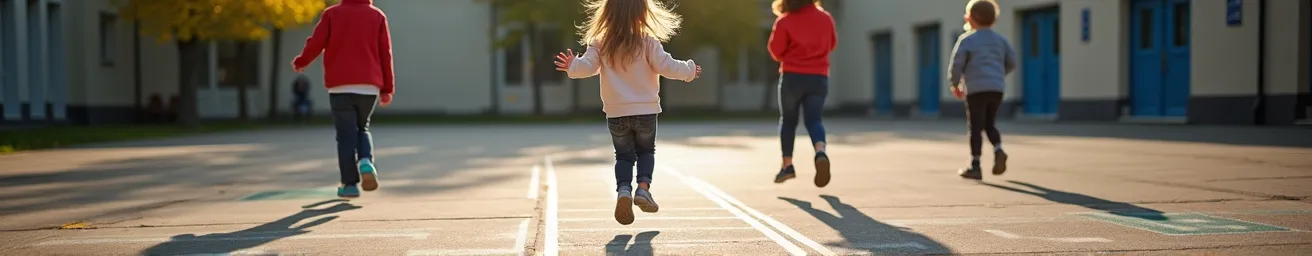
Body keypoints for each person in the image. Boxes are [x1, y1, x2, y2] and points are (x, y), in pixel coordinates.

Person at [554, 0, 701, 225]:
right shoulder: (648, 41)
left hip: (616, 113)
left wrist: (573, 65)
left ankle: (624, 190)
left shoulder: (600, 42)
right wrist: (689, 71)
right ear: (642, 13)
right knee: (645, 152)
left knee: (623, 156)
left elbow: (587, 66)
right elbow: (667, 66)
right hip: (646, 110)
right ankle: (642, 189)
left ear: (608, 13)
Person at [291, 0, 395, 198]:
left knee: (346, 135)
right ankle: (365, 160)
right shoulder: (377, 16)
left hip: (340, 86)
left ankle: (350, 185)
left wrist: (301, 61)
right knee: (362, 127)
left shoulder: (332, 14)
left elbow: (317, 42)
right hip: (369, 86)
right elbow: (385, 54)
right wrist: (387, 89)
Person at [768, 0, 837, 188]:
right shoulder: (826, 18)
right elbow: (832, 44)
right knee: (814, 120)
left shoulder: (784, 21)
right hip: (818, 77)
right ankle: (820, 152)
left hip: (793, 78)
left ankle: (787, 166)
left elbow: (775, 51)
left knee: (788, 121)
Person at [948, 0, 1016, 180]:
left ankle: (975, 165)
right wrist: (998, 75)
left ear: (971, 19)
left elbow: (957, 65)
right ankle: (998, 149)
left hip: (976, 89)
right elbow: (1012, 62)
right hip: (996, 89)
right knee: (990, 123)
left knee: (975, 127)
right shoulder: (1001, 40)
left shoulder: (967, 40)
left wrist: (955, 84)